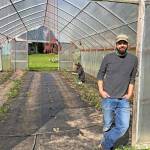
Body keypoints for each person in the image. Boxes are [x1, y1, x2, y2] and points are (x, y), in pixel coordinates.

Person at [97, 34, 138, 150]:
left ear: (128, 45)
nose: (122, 45)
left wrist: (129, 94)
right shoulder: (108, 58)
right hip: (108, 98)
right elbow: (100, 74)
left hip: (123, 100)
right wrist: (101, 91)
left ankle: (105, 143)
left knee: (123, 126)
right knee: (107, 125)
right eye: (120, 43)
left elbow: (132, 78)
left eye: (124, 43)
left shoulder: (133, 59)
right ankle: (107, 146)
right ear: (116, 45)